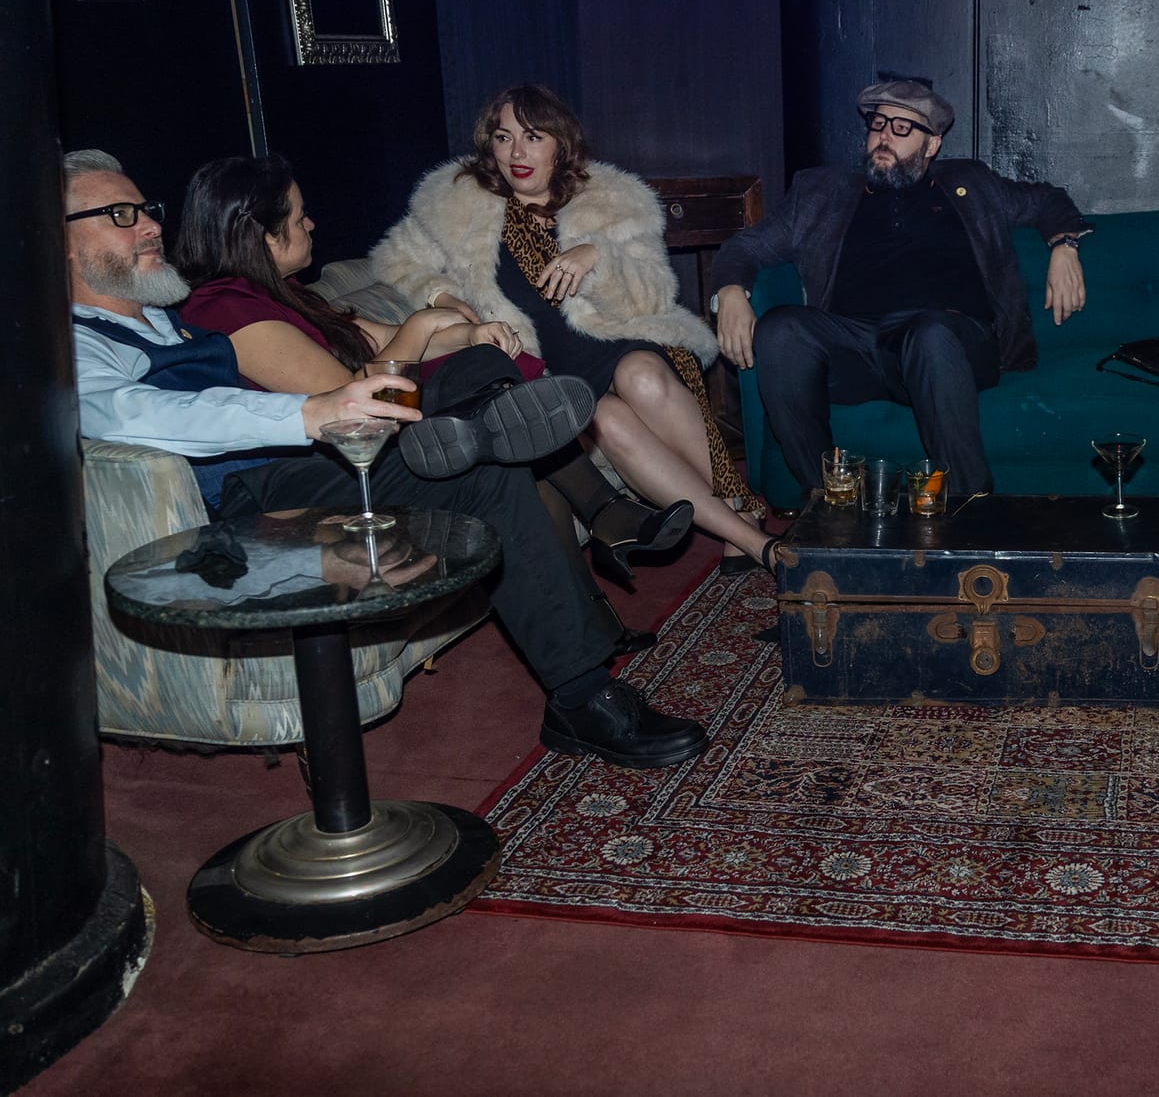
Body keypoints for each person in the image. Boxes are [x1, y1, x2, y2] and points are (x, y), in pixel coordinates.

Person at [64, 148, 707, 769]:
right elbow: (134, 415)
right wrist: (306, 413)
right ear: (57, 240)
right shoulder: (78, 346)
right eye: (121, 215)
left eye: (146, 209)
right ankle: (554, 509)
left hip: (307, 464)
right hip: (252, 501)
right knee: (479, 430)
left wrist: (445, 326)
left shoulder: (168, 319)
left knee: (488, 462)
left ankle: (581, 693)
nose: (150, 223)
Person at [172, 152, 688, 653]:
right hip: (336, 463)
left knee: (495, 395)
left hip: (381, 435)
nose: (311, 223)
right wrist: (424, 326)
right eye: (299, 214)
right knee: (494, 403)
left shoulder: (284, 293)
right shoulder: (225, 309)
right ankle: (605, 511)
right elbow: (350, 399)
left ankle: (599, 559)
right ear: (261, 233)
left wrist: (469, 332)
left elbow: (379, 339)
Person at [372, 84, 779, 571]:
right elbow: (393, 263)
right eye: (503, 139)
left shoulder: (613, 200)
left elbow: (653, 295)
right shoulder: (457, 205)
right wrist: (445, 297)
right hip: (549, 367)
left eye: (533, 137)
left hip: (621, 338)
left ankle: (738, 522)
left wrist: (598, 257)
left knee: (641, 376)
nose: (517, 153)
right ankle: (744, 531)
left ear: (561, 144)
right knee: (602, 416)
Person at [710, 76, 1090, 498]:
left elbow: (1047, 200)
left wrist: (1064, 245)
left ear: (932, 145)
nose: (885, 136)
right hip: (857, 346)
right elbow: (747, 246)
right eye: (878, 124)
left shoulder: (972, 183)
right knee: (779, 329)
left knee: (929, 333)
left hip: (951, 345)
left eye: (902, 127)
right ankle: (829, 502)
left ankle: (972, 508)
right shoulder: (822, 192)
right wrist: (730, 291)